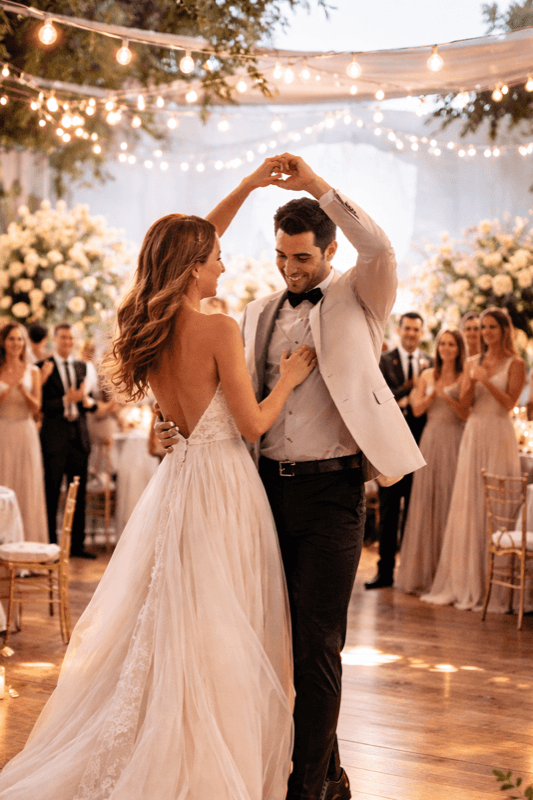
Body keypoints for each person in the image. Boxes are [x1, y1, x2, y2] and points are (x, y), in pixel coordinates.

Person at [0, 158, 317, 799]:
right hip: (224, 486)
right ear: (193, 267)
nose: (224, 264)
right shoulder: (218, 327)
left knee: (176, 612)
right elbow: (253, 424)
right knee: (221, 619)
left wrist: (249, 185)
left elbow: (191, 240)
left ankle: (165, 730)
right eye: (216, 258)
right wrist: (288, 378)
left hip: (176, 483)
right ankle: (202, 752)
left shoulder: (149, 327)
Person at [157, 153, 424, 800]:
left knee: (319, 640)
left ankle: (306, 787)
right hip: (263, 491)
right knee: (274, 633)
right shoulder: (253, 312)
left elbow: (378, 245)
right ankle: (327, 775)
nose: (289, 268)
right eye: (281, 255)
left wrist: (316, 187)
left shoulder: (362, 293)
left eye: (302, 257)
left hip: (333, 491)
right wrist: (172, 424)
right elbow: (226, 399)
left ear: (329, 251)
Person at [421, 307, 526, 612]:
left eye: (492, 327)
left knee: (497, 504)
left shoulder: (516, 363)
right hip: (474, 433)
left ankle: (499, 586)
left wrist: (486, 381)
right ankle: (467, 580)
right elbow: (465, 409)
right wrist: (467, 385)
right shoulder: (471, 362)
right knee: (469, 501)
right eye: (482, 327)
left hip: (499, 434)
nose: (486, 332)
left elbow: (509, 404)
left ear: (504, 330)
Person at [395, 329, 467, 596]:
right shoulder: (426, 375)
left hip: (455, 438)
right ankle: (423, 572)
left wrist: (447, 395)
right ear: (437, 348)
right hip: (431, 439)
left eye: (452, 344)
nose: (446, 348)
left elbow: (466, 412)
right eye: (443, 344)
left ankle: (449, 572)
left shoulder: (464, 374)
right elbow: (416, 410)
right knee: (426, 500)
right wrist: (433, 394)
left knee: (451, 500)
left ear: (459, 349)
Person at [365, 312, 432, 590]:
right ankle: (385, 572)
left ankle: (411, 572)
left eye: (416, 329)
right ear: (400, 330)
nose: (411, 334)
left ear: (421, 333)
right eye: (407, 328)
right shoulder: (384, 360)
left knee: (416, 513)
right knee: (389, 511)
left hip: (423, 448)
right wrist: (408, 389)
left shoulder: (431, 362)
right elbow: (381, 396)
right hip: (392, 446)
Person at [38, 323, 99, 559]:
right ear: (54, 339)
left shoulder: (82, 366)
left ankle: (77, 545)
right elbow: (41, 405)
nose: (67, 342)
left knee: (79, 492)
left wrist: (85, 401)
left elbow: (90, 402)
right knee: (52, 492)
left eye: (71, 338)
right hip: (54, 439)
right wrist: (66, 399)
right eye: (63, 337)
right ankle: (51, 545)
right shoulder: (42, 367)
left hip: (79, 438)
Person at [0, 322, 47, 543]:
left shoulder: (32, 371)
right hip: (3, 430)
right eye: (11, 338)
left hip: (26, 431)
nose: (16, 343)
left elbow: (37, 407)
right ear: (3, 342)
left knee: (28, 485)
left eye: (20, 339)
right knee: (4, 482)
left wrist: (22, 392)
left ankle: (28, 543)